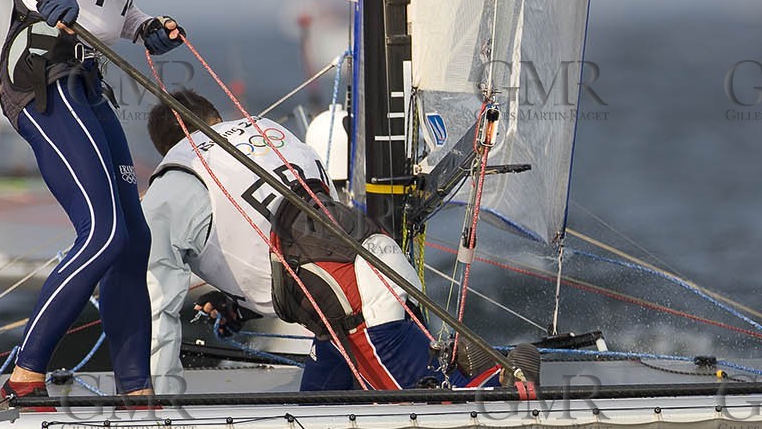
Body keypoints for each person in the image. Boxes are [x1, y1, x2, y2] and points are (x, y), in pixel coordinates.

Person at [0, 0, 185, 401]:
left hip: (84, 76)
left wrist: (139, 26)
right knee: (103, 232)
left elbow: (99, 2)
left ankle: (136, 391)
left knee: (133, 239)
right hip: (42, 74)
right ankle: (26, 373)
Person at [143, 88, 517, 395]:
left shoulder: (179, 178)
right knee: (315, 419)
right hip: (373, 264)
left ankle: (507, 382)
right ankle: (467, 365)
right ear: (218, 119)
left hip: (351, 304)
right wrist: (238, 306)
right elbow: (279, 238)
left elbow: (159, 297)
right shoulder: (272, 133)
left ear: (167, 148)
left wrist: (158, 394)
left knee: (434, 403)